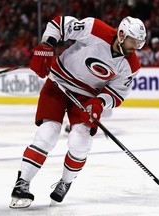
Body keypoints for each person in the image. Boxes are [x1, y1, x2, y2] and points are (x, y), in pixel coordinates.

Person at [9, 16, 146, 208]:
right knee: (48, 133)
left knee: (80, 141)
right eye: (133, 41)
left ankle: (65, 182)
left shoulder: (131, 66)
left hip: (86, 99)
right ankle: (22, 183)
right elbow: (58, 24)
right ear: (121, 35)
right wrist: (47, 45)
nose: (136, 47)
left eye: (140, 43)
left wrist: (99, 103)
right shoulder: (94, 28)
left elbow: (117, 93)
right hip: (58, 84)